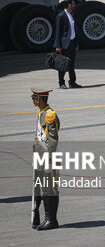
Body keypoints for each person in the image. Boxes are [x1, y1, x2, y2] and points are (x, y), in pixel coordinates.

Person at [31, 87, 60, 231]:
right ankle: (47, 217)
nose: (33, 100)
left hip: (48, 158)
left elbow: (52, 140)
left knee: (50, 189)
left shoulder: (50, 115)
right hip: (40, 157)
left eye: (34, 97)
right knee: (43, 188)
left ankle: (51, 219)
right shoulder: (41, 113)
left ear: (40, 99)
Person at [53, 0, 81, 89]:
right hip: (64, 44)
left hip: (72, 43)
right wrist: (58, 46)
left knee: (72, 64)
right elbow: (58, 32)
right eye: (73, 4)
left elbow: (74, 30)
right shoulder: (61, 16)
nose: (74, 5)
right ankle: (61, 83)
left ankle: (72, 82)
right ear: (69, 5)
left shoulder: (72, 14)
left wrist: (76, 43)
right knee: (63, 64)